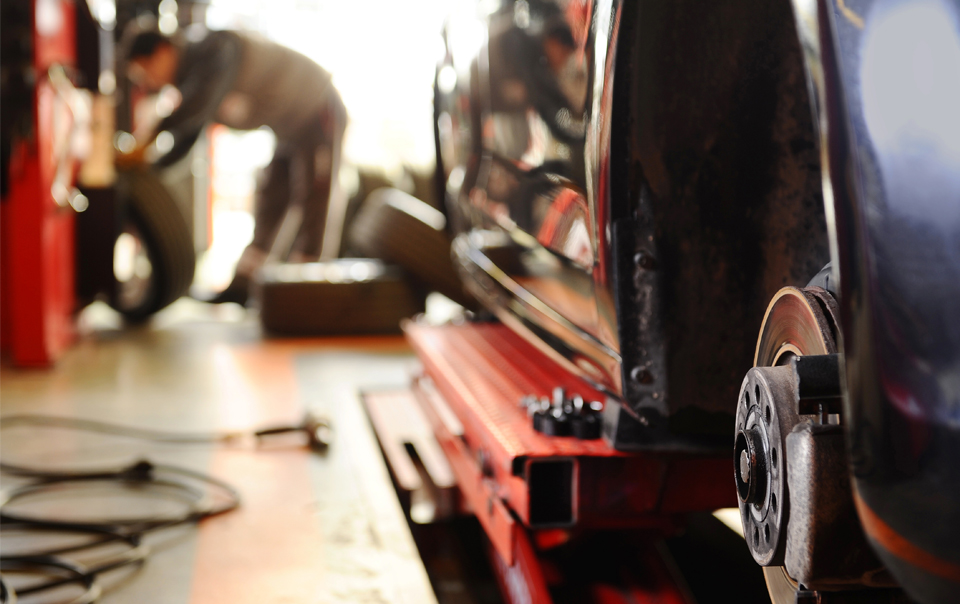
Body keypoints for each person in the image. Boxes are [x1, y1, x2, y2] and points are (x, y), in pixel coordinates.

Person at [123, 28, 347, 305]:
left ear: (162, 50)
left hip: (317, 106)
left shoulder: (213, 47)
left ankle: (310, 294)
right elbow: (191, 129)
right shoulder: (194, 80)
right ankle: (243, 288)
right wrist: (151, 168)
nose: (148, 82)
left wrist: (150, 136)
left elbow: (198, 103)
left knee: (315, 196)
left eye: (145, 71)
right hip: (288, 127)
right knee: (272, 199)